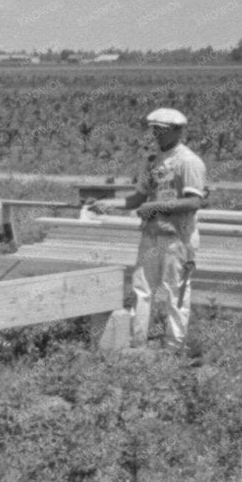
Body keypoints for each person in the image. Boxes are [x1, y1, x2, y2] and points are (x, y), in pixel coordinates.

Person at [90, 107, 207, 350]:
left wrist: (156, 206)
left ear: (177, 131)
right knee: (141, 288)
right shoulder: (152, 162)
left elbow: (194, 202)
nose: (157, 135)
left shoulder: (189, 162)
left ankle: (174, 346)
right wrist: (110, 203)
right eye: (155, 130)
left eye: (162, 131)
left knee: (177, 292)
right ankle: (137, 341)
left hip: (178, 237)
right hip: (151, 234)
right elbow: (137, 199)